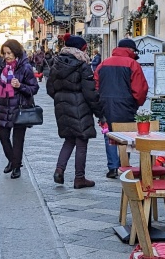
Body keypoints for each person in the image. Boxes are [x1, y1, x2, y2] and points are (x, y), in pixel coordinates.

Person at [48, 37, 99, 189]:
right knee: (81, 142)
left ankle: (59, 170)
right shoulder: (82, 65)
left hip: (62, 107)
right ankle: (79, 178)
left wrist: (61, 98)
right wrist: (99, 112)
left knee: (69, 140)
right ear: (80, 49)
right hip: (80, 107)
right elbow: (90, 92)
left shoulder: (56, 64)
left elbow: (50, 88)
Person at [95, 38, 149, 178]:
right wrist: (137, 103)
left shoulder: (103, 63)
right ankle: (123, 166)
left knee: (109, 135)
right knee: (126, 136)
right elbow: (140, 89)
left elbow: (95, 85)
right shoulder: (133, 64)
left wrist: (99, 103)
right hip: (126, 105)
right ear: (130, 50)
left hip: (106, 105)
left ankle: (113, 167)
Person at [0, 39, 39, 179]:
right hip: (3, 107)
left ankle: (16, 167)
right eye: (4, 53)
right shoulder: (4, 66)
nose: (6, 56)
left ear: (16, 52)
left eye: (9, 53)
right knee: (3, 137)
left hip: (19, 108)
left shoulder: (25, 68)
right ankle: (13, 161)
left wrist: (20, 86)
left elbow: (34, 88)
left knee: (18, 140)